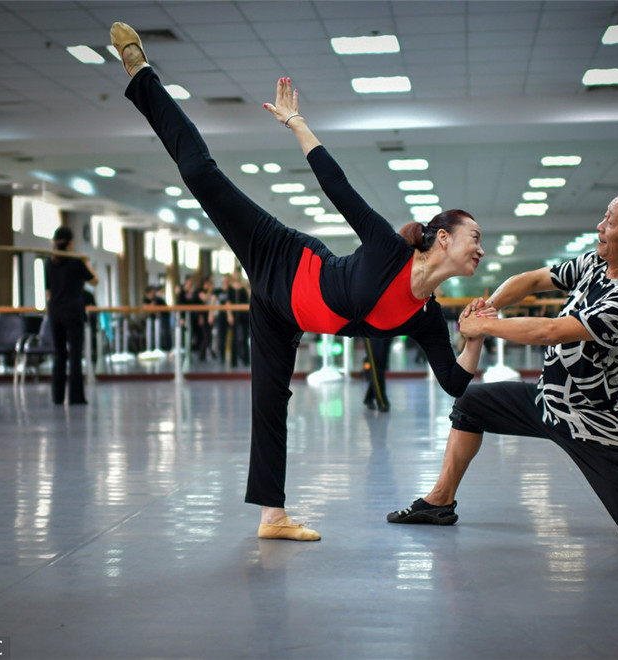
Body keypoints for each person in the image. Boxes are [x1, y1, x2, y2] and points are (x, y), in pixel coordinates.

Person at [111, 22, 486, 541]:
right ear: (443, 238)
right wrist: (296, 122)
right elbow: (338, 186)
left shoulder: (427, 316)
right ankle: (143, 75)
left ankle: (272, 518)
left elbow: (454, 382)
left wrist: (475, 340)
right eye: (475, 236)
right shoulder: (387, 248)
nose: (481, 249)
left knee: (269, 402)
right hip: (282, 258)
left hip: (281, 312)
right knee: (201, 175)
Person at [387, 190, 618, 546]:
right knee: (470, 406)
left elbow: (551, 330)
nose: (600, 226)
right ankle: (440, 501)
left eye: (611, 223)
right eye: (605, 216)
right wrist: (488, 307)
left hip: (596, 423)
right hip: (549, 401)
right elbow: (533, 280)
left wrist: (484, 327)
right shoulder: (595, 264)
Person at [45, 226, 98, 405]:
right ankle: (76, 397)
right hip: (73, 311)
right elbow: (94, 280)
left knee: (59, 354)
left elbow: (48, 292)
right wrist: (85, 261)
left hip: (55, 311)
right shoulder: (76, 262)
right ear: (70, 243)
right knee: (75, 354)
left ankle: (57, 397)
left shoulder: (49, 262)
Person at [363, 337, 392, 412]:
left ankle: (369, 397)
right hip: (371, 329)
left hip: (387, 328)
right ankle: (382, 401)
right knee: (376, 364)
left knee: (382, 363)